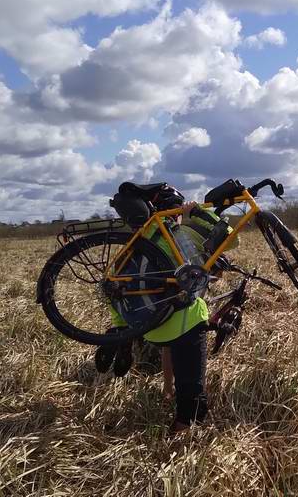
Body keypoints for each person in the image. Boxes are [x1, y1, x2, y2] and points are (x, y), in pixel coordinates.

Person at [95, 185, 237, 433]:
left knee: (170, 340)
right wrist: (199, 213)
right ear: (174, 211)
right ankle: (180, 436)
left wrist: (122, 331)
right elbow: (231, 238)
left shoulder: (129, 248)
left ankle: (168, 389)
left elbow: (115, 294)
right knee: (192, 397)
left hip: (152, 329)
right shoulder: (182, 235)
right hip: (186, 325)